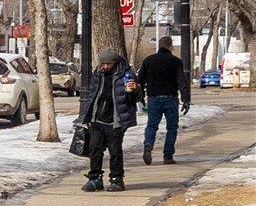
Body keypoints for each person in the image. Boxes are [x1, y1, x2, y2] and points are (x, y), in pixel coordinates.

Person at [77, 48, 140, 192]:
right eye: (103, 64)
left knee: (115, 151)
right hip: (97, 119)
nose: (105, 66)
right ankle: (95, 178)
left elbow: (136, 99)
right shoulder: (97, 74)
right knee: (95, 150)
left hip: (115, 120)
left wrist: (134, 90)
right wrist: (87, 116)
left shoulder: (126, 75)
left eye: (108, 64)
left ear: (115, 63)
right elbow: (92, 96)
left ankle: (117, 179)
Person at [136, 35, 189, 165]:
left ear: (159, 46)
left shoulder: (148, 60)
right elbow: (181, 81)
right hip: (170, 98)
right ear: (171, 46)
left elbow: (140, 80)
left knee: (151, 125)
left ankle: (148, 144)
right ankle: (168, 155)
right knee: (172, 127)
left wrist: (141, 97)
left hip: (153, 98)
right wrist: (186, 99)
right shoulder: (176, 61)